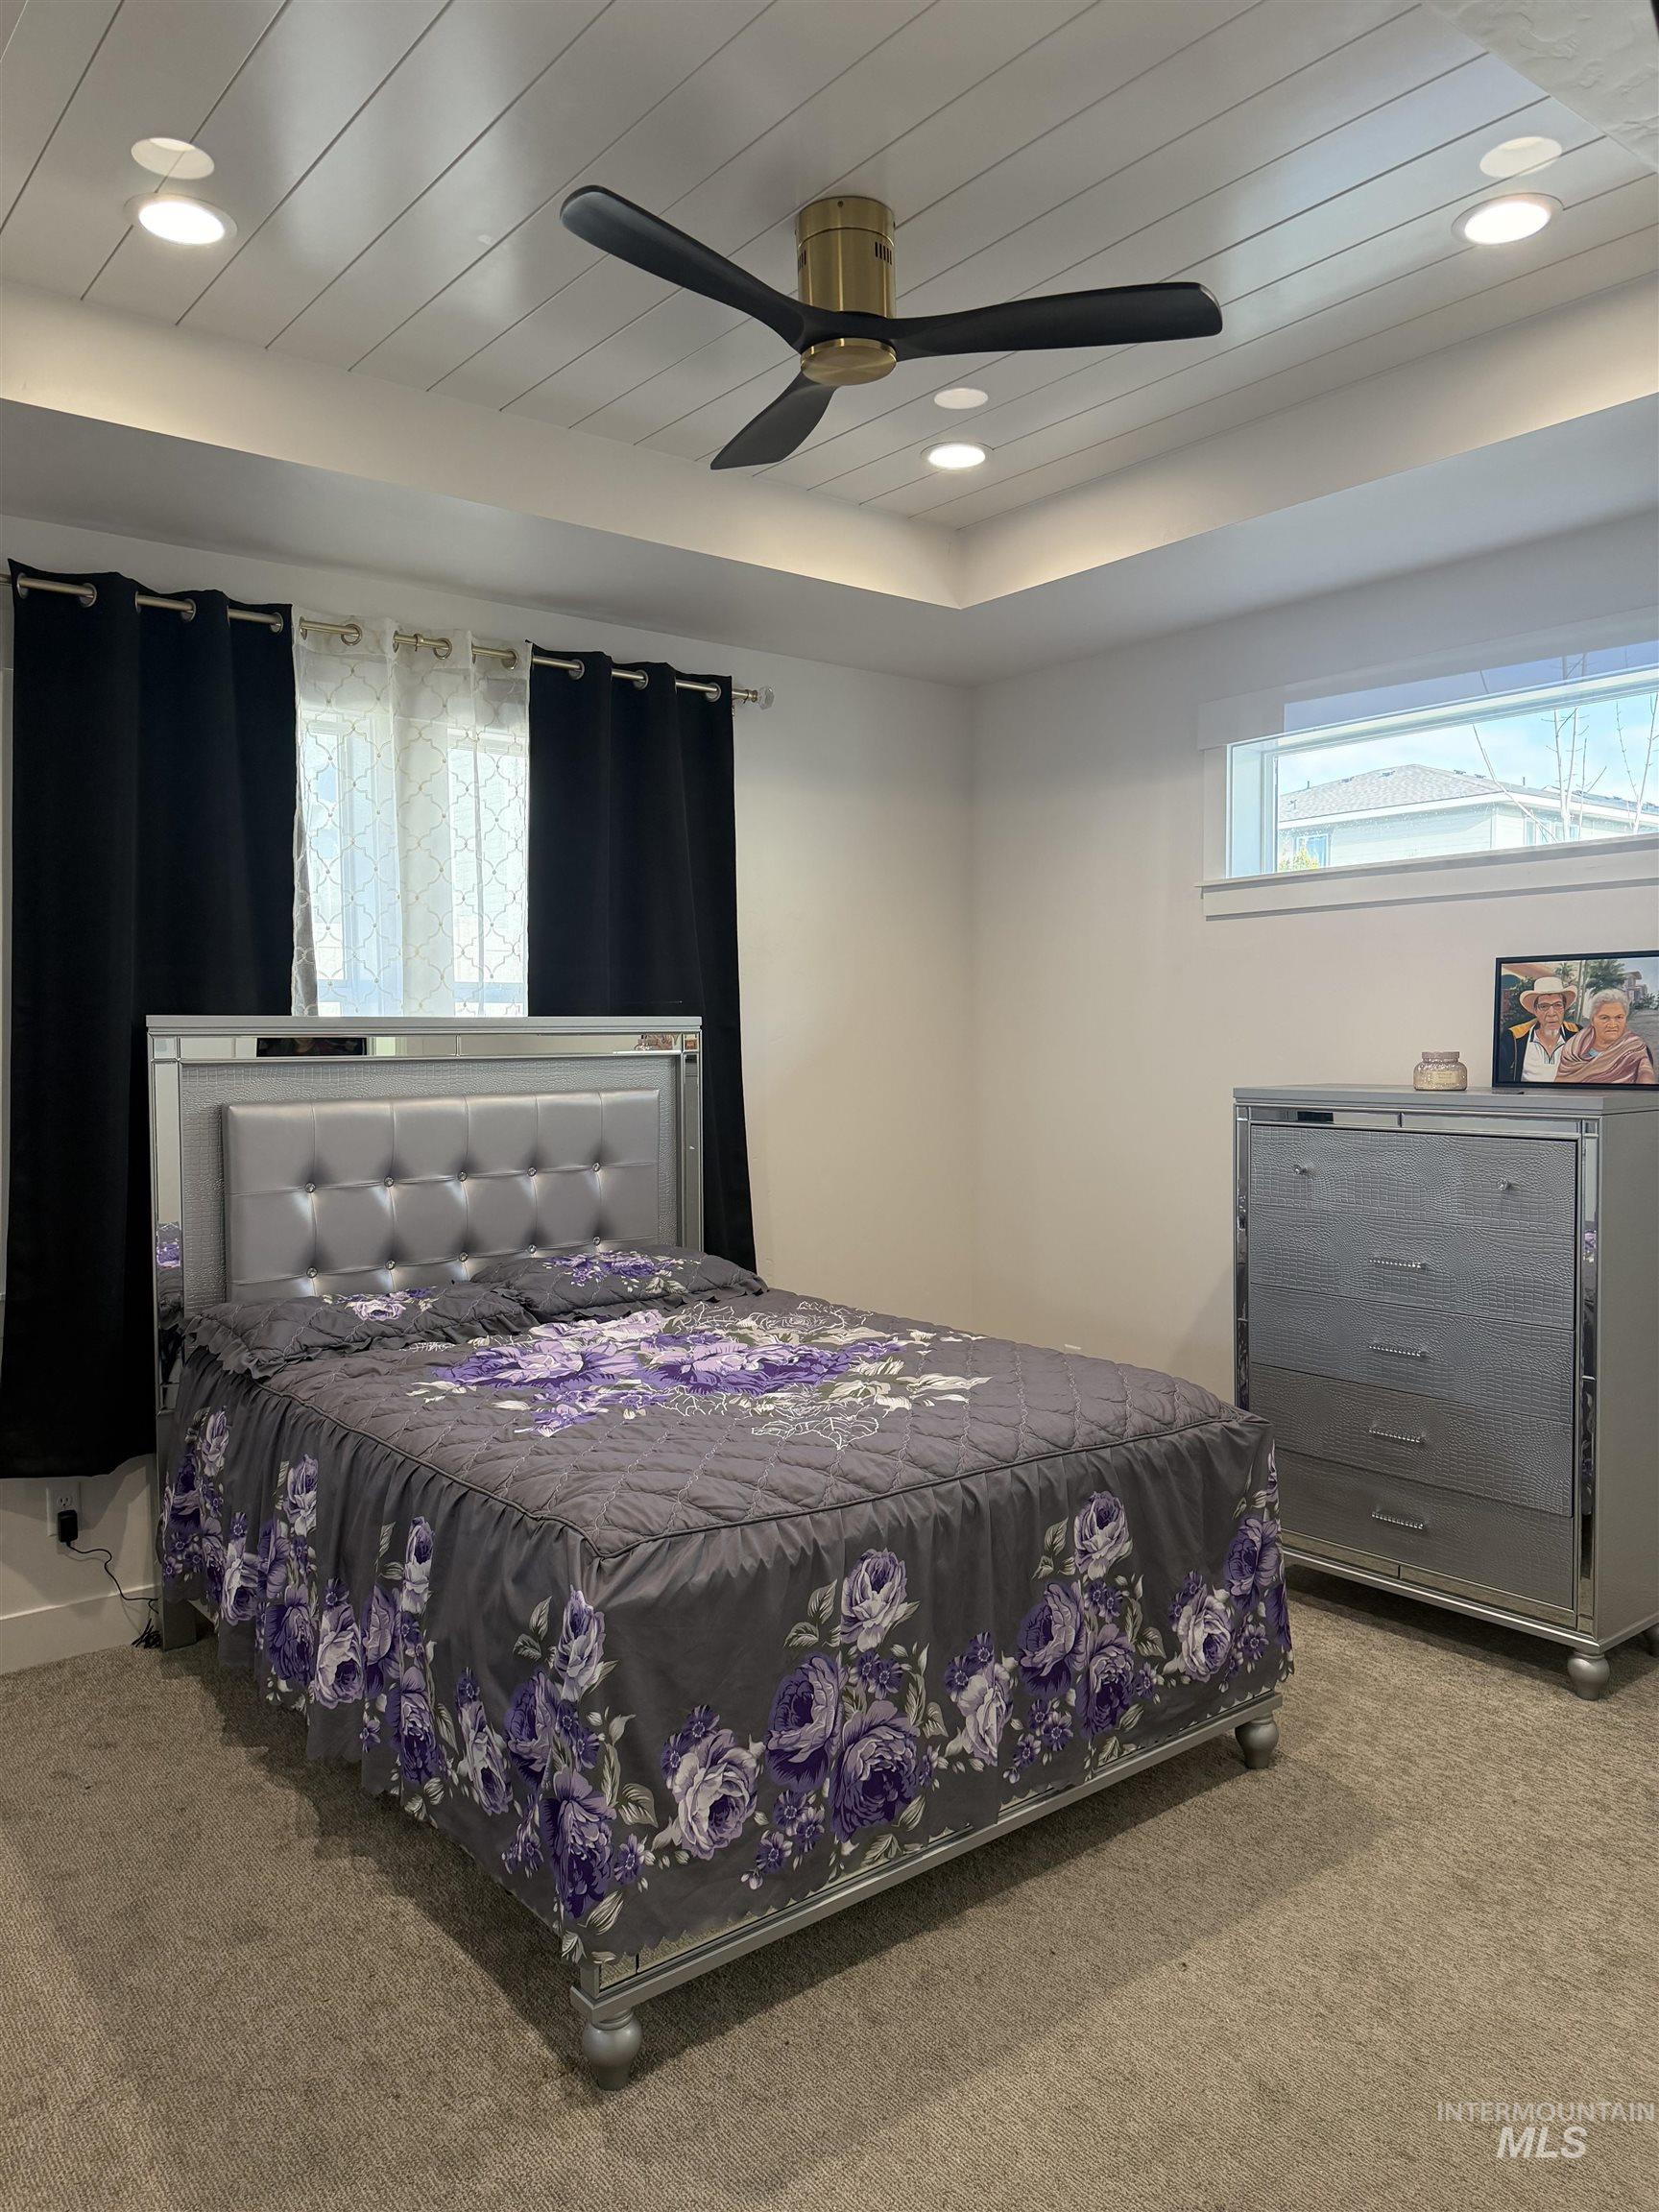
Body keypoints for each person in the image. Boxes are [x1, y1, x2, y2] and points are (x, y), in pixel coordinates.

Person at [1555, 989, 1658, 1085]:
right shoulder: (1572, 1048)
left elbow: (1646, 1074)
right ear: (1592, 1021)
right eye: (1604, 1018)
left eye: (1619, 1017)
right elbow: (1560, 1085)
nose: (1612, 1024)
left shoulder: (1634, 1046)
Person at [1499, 974, 1580, 1084]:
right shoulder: (1513, 1037)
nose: (1551, 1013)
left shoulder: (1579, 1035)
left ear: (1564, 1008)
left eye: (1557, 1005)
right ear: (1535, 1011)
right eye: (1544, 1006)